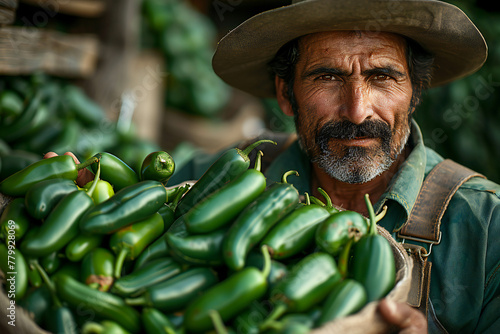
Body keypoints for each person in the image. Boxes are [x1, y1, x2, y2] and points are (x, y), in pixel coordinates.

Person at [168, 0, 500, 333]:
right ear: (286, 94)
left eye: (382, 76)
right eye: (328, 77)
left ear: (415, 93)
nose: (357, 111)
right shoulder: (214, 181)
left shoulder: (487, 227)